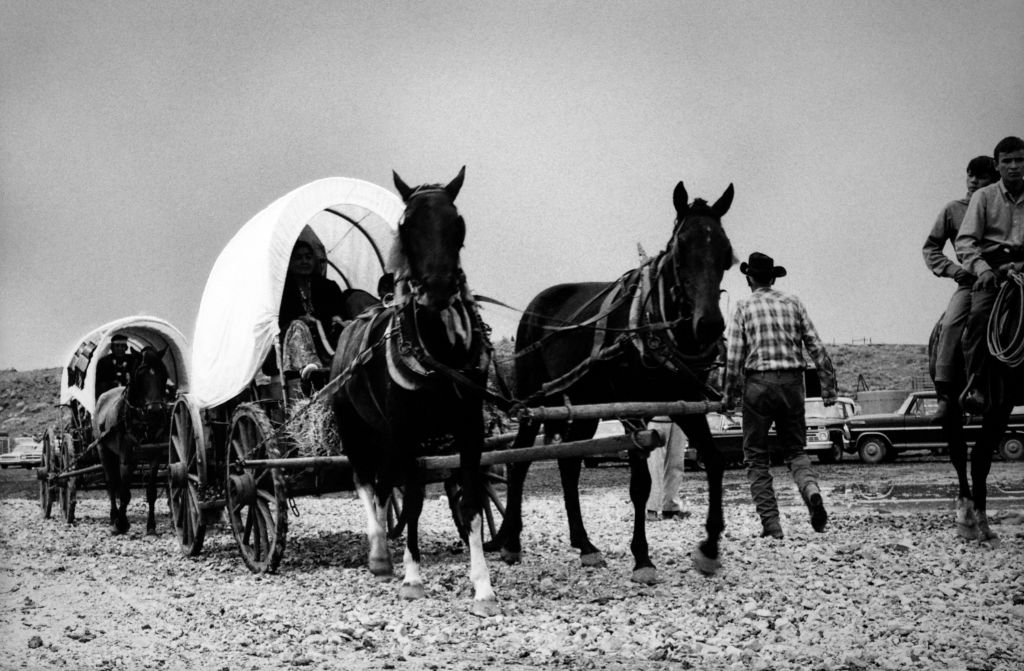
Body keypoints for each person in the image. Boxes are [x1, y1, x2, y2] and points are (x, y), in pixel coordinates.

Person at [722, 252, 837, 540]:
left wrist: (729, 397)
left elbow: (734, 357)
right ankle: (810, 490)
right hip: (792, 384)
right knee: (796, 451)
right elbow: (816, 346)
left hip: (757, 386)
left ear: (749, 278)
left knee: (756, 457)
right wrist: (828, 388)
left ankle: (772, 525)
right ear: (773, 278)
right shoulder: (793, 303)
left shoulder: (743, 306)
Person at [923, 155, 999, 420]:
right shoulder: (953, 209)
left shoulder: (1002, 206)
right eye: (970, 175)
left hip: (1009, 276)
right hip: (973, 282)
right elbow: (931, 248)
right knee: (951, 324)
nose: (974, 181)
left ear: (995, 180)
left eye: (982, 177)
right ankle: (945, 393)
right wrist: (956, 271)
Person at [956, 136, 1024, 413]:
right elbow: (966, 241)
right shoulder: (984, 197)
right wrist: (983, 269)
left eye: (1019, 160)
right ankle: (977, 384)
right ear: (997, 166)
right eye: (1007, 161)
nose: (1014, 166)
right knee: (980, 317)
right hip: (994, 270)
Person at [279, 240, 346, 395]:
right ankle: (310, 368)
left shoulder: (328, 286)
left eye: (308, 257)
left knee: (347, 326)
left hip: (326, 336)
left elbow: (339, 310)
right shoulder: (282, 291)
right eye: (299, 258)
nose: (304, 261)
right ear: (290, 262)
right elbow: (281, 320)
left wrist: (338, 317)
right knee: (298, 325)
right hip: (294, 338)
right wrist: (302, 319)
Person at [645, 417, 690, 521]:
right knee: (655, 463)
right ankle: (651, 508)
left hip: (679, 415)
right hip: (656, 414)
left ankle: (670, 507)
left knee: (676, 462)